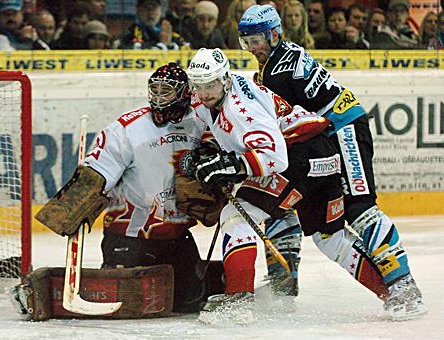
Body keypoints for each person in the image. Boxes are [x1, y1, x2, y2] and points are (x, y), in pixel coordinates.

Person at [238, 4, 427, 320]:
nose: (252, 48)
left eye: (256, 40)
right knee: (303, 212)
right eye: (246, 42)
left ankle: (403, 284)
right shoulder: (279, 58)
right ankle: (288, 278)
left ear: (273, 34)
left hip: (344, 130)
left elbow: (278, 122)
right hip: (324, 138)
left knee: (360, 208)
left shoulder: (275, 72)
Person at [187, 48, 347, 323]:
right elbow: (219, 131)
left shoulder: (240, 109)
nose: (203, 93)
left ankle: (239, 302)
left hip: (302, 153)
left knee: (236, 216)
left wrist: (231, 166)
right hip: (308, 150)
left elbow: (274, 156)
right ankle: (396, 290)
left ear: (225, 79)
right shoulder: (213, 96)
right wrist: (209, 151)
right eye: (198, 85)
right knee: (330, 238)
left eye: (210, 85)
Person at [82, 63, 224, 312]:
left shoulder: (202, 121)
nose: (158, 98)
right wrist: (79, 198)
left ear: (183, 93)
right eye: (154, 90)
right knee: (129, 306)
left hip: (176, 238)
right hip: (129, 239)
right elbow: (95, 175)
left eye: (166, 91)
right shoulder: (127, 129)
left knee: (189, 305)